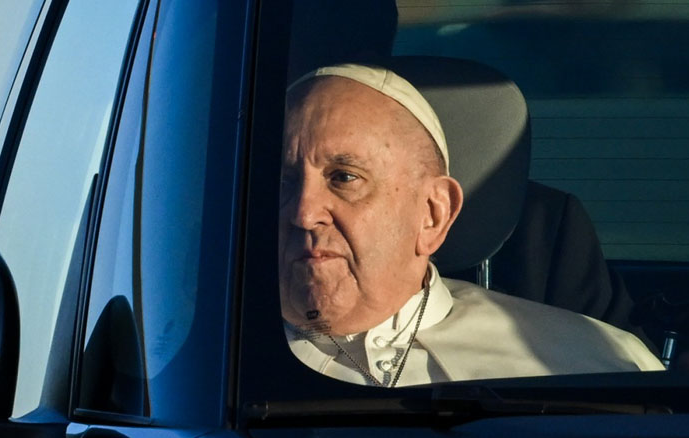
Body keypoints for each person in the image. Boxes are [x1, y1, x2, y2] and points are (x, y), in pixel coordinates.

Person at [281, 64, 663, 387]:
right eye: (282, 180)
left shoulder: (594, 367)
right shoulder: (238, 363)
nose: (303, 213)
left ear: (433, 214)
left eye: (344, 178)